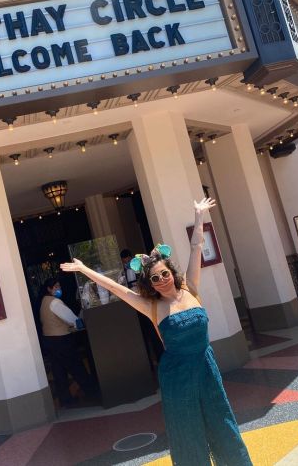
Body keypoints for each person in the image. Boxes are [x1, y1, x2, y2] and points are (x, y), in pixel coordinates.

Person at [61, 198, 252, 466]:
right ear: (149, 284)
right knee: (187, 430)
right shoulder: (152, 307)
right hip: (176, 375)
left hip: (206, 367)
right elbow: (118, 290)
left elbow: (196, 247)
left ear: (171, 272)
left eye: (164, 274)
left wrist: (198, 216)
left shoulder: (191, 289)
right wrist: (84, 269)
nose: (161, 280)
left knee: (222, 420)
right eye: (154, 278)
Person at [38, 278, 95, 407]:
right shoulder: (55, 302)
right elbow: (71, 318)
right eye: (55, 287)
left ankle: (65, 400)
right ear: (49, 289)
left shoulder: (43, 302)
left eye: (59, 286)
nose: (58, 289)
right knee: (77, 368)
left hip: (50, 340)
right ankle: (92, 393)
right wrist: (80, 323)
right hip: (61, 340)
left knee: (59, 372)